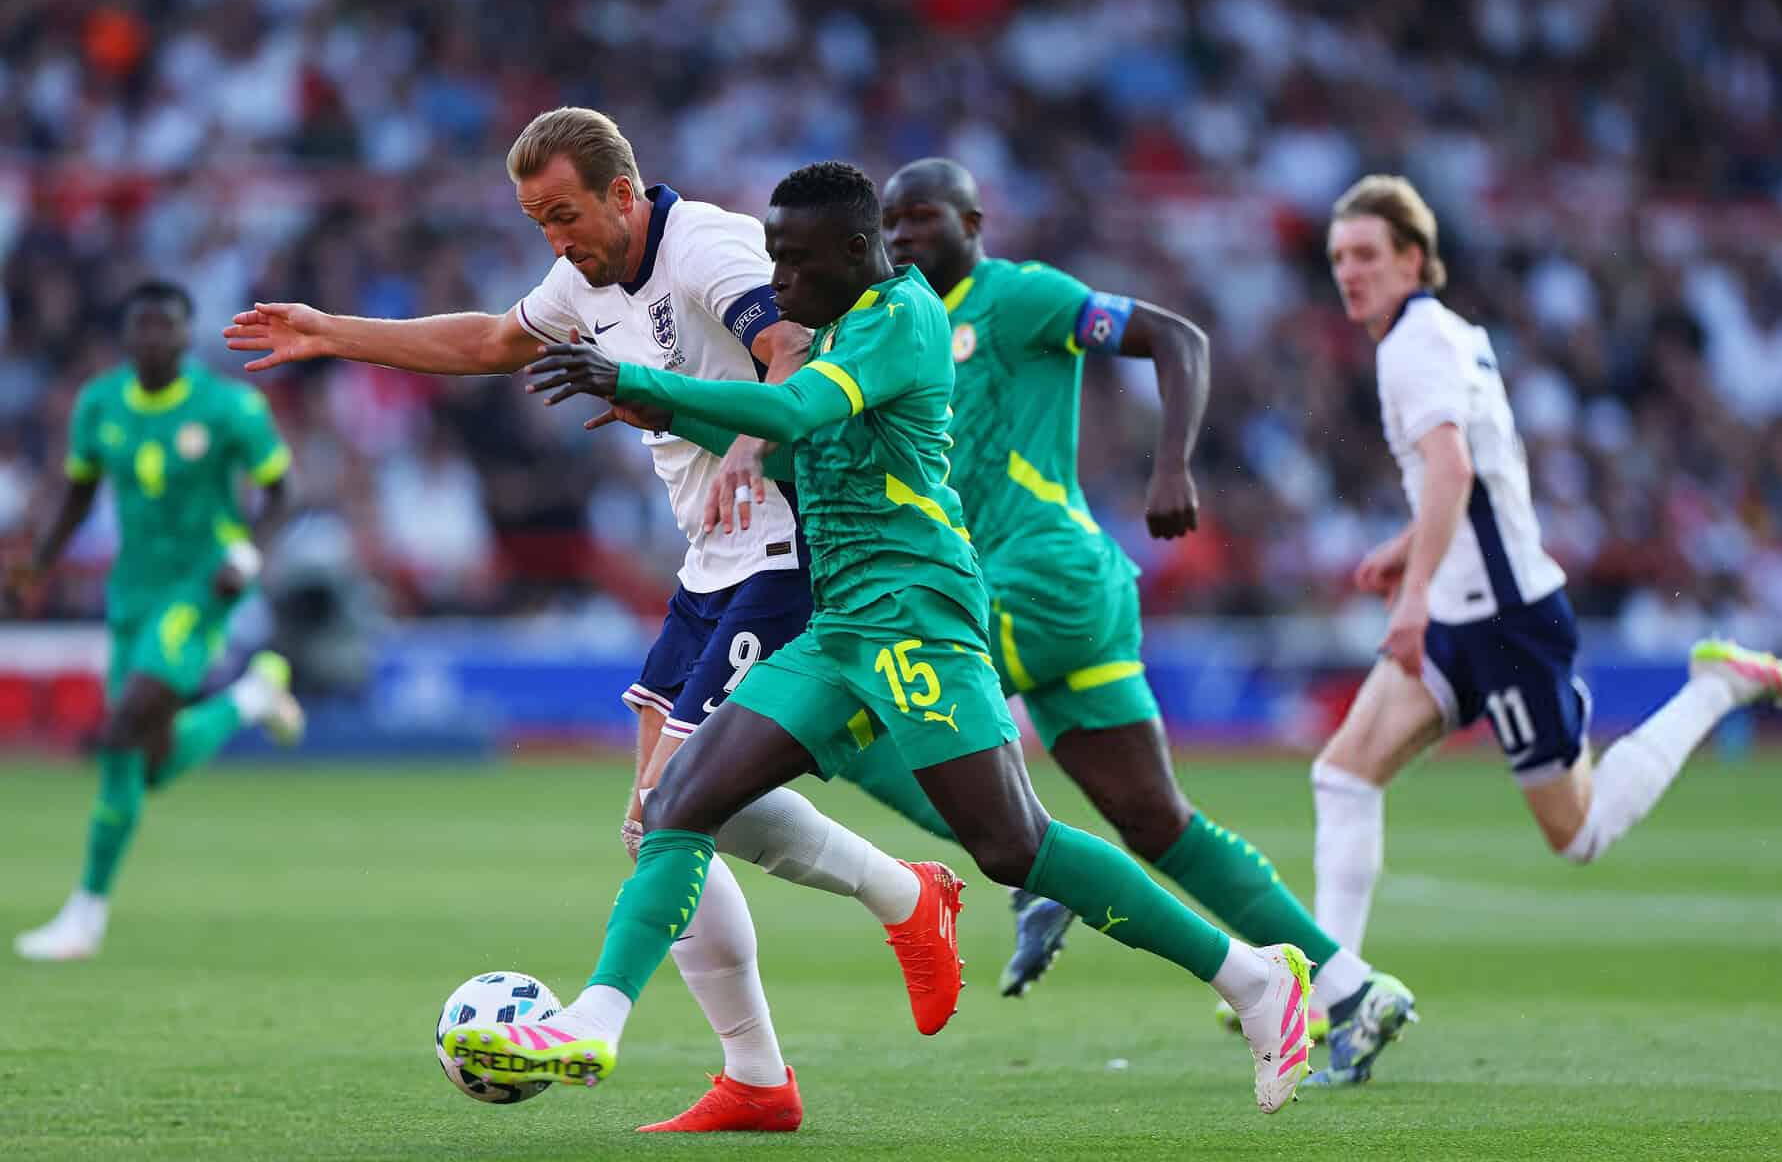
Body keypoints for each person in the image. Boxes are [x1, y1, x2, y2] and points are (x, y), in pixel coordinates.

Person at [460, 161, 1320, 1117]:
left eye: (794, 259)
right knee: (676, 801)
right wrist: (673, 409)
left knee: (1012, 843)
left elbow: (791, 411)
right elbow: (791, 437)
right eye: (772, 255)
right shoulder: (833, 325)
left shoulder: (900, 319)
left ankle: (1253, 980)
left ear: (859, 251)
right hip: (840, 624)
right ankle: (596, 1020)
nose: (776, 278)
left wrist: (636, 376)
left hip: (918, 611)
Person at [223, 108, 961, 1133]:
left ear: (623, 192)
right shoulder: (584, 279)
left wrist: (751, 447)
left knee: (677, 808)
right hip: (711, 562)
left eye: (564, 214)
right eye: (536, 223)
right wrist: (331, 333)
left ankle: (604, 1020)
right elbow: (490, 338)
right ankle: (775, 1056)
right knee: (652, 822)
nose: (555, 240)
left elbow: (791, 344)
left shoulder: (705, 246)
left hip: (790, 547)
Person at [798, 157, 1406, 1075]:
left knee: (850, 709)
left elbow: (1176, 337)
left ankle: (1042, 867)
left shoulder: (1022, 296)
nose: (906, 235)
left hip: (1032, 577)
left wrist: (1173, 464)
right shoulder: (896, 321)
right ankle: (1352, 987)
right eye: (892, 222)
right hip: (1066, 597)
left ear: (974, 219)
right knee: (1159, 824)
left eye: (925, 217)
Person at [1310, 174, 1782, 1082]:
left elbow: (1456, 467)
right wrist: (1406, 548)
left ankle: (1715, 688)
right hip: (1464, 606)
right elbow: (1476, 469)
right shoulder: (1442, 336)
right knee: (1342, 775)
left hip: (1504, 625)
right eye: (1339, 257)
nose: (1348, 272)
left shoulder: (1412, 347)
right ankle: (1339, 999)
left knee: (1576, 835)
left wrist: (1412, 596)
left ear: (1414, 259)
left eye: (1367, 255)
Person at [9, 280, 304, 962]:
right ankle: (250, 698)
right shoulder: (100, 404)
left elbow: (285, 492)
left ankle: (85, 914)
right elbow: (79, 493)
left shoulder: (228, 407)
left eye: (164, 328)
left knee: (124, 724)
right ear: (125, 337)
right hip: (131, 596)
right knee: (143, 762)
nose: (151, 339)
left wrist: (252, 556)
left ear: (184, 333)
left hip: (200, 590)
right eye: (139, 328)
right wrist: (37, 564)